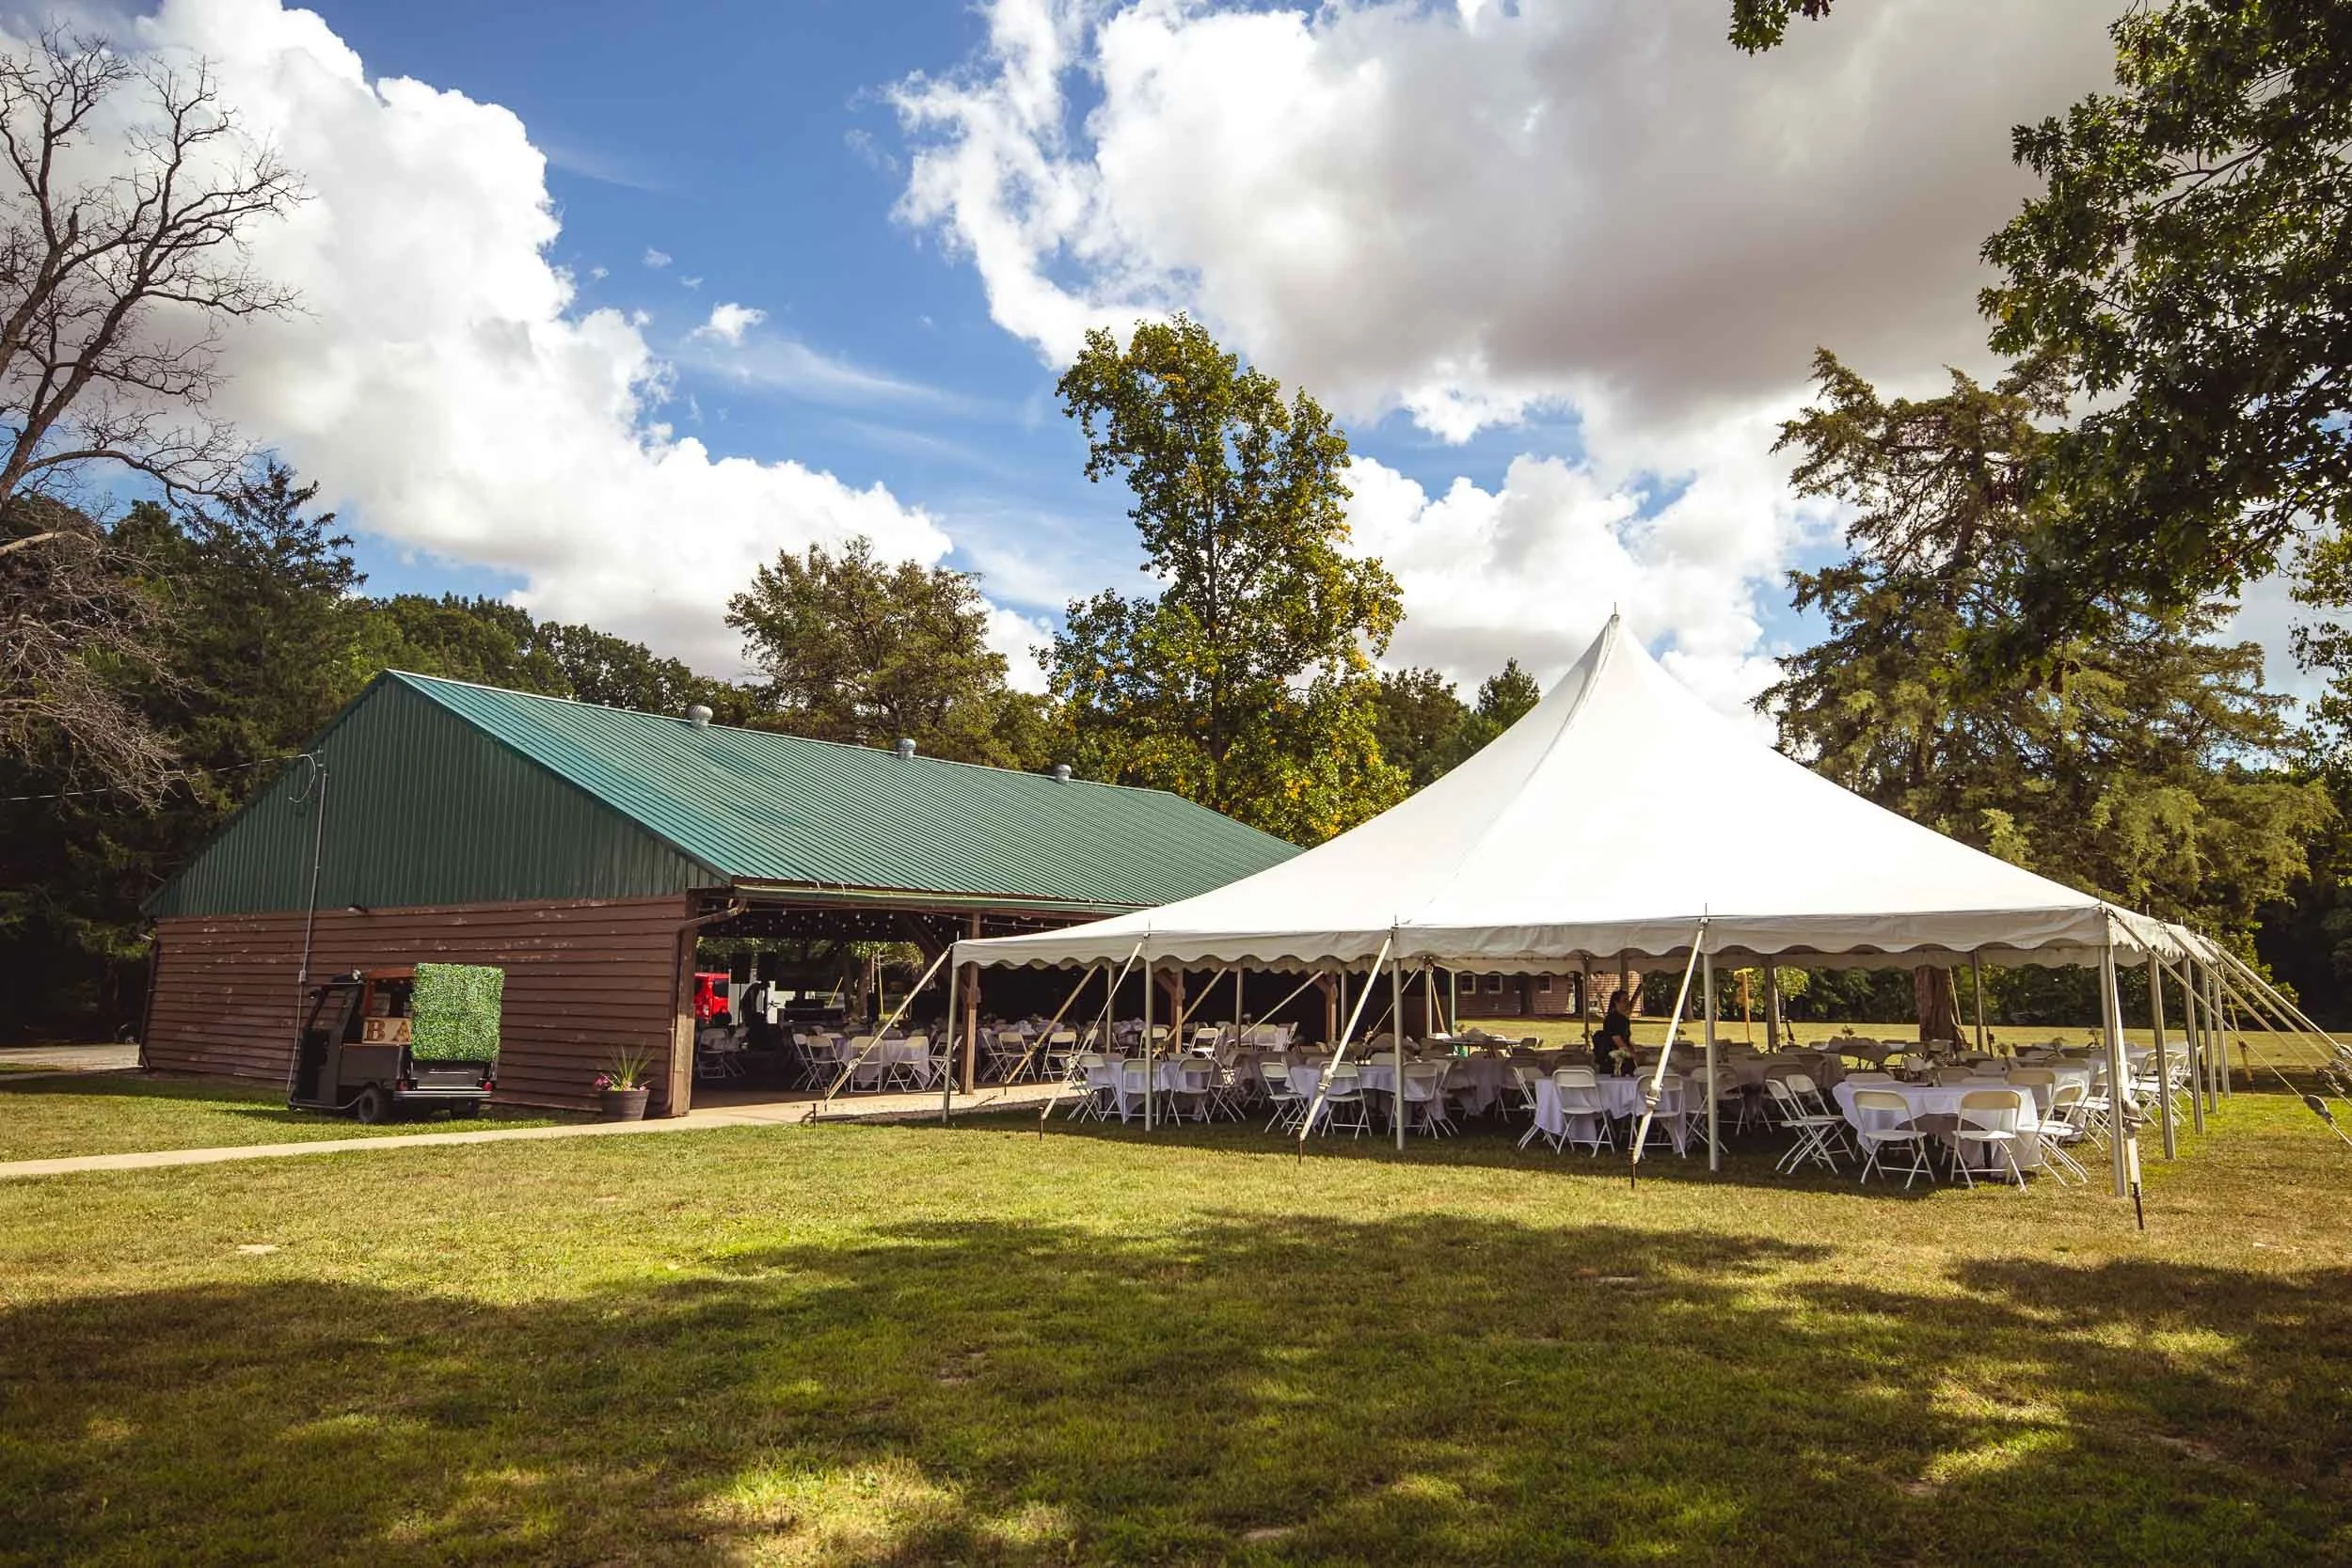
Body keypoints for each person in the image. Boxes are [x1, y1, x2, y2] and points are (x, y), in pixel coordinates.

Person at [1594, 991, 1635, 1076]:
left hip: (1624, 1057)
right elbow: (1617, 1039)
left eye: (1628, 1000)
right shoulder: (1612, 1019)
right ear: (1616, 1002)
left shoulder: (1624, 1020)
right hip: (1613, 1059)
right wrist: (1631, 1054)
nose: (1627, 1003)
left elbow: (1625, 1039)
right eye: (1624, 1001)